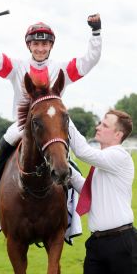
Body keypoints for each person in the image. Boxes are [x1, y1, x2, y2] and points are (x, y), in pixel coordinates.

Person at [0, 13, 102, 243]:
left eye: (45, 43)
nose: (40, 48)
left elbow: (89, 60)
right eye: (36, 43)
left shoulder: (61, 69)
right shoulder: (16, 67)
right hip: (22, 127)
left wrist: (96, 32)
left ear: (51, 46)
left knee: (70, 165)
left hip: (55, 126)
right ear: (29, 45)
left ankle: (70, 217)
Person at [69, 109, 137, 274]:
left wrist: (63, 117)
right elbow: (89, 190)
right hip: (96, 244)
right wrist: (66, 170)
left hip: (121, 244)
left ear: (118, 135)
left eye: (105, 125)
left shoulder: (119, 156)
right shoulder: (104, 162)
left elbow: (82, 152)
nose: (98, 127)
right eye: (100, 123)